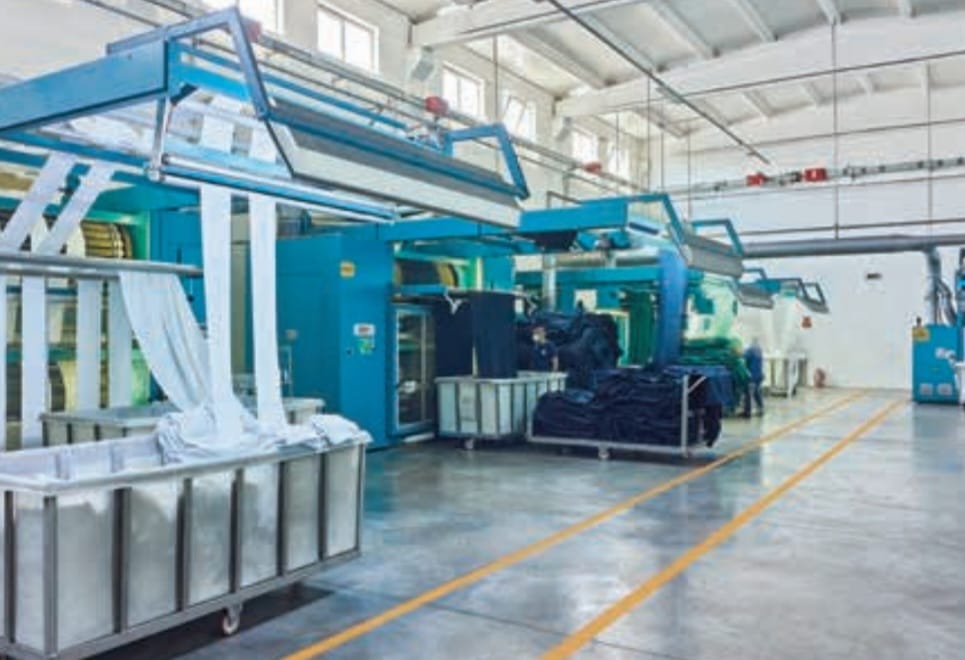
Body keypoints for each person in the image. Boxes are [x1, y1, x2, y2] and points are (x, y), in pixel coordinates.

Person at [742, 337, 764, 417]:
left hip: (752, 375)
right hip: (759, 375)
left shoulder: (750, 350)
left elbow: (743, 356)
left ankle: (747, 412)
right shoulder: (759, 350)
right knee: (757, 392)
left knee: (748, 393)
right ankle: (760, 408)